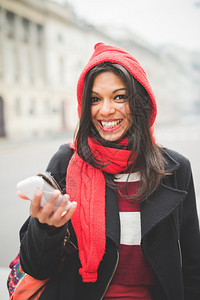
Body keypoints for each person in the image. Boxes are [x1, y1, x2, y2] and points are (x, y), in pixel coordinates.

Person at [17, 43, 200, 300]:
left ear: (140, 102)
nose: (105, 110)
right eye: (95, 99)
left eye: (119, 97)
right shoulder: (65, 162)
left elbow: (192, 266)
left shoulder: (175, 169)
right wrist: (46, 228)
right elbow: (35, 267)